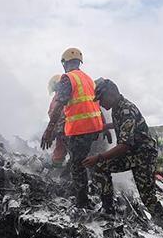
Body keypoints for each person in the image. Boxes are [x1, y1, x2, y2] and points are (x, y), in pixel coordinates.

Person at [83, 78, 163, 238]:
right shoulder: (117, 107)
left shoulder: (126, 109)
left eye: (101, 99)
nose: (101, 104)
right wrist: (107, 127)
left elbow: (124, 145)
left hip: (143, 156)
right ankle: (108, 210)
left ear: (111, 94)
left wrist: (99, 157)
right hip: (133, 153)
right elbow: (122, 125)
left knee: (147, 197)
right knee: (101, 168)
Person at [41, 48, 111, 208]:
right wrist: (103, 126)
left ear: (64, 63)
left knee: (77, 168)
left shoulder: (68, 78)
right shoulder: (87, 79)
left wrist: (48, 130)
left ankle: (82, 204)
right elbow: (96, 104)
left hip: (80, 130)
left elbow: (59, 105)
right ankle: (105, 201)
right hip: (94, 129)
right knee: (89, 163)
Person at [47, 74, 68, 167]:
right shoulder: (60, 95)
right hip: (64, 128)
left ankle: (56, 167)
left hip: (63, 129)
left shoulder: (59, 97)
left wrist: (52, 130)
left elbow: (58, 114)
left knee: (60, 151)